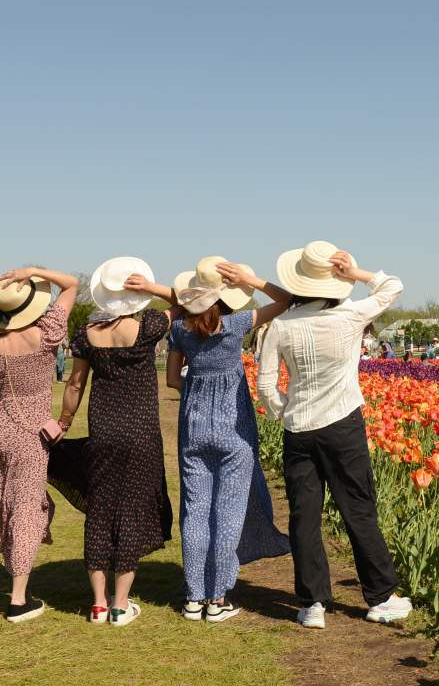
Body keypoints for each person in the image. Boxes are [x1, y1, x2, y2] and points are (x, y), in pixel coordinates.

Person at [257, 241, 412, 629]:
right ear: (333, 281)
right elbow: (392, 285)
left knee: (304, 516)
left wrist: (284, 412)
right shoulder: (350, 315)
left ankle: (312, 604)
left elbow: (264, 384)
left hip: (299, 429)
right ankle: (379, 598)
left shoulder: (281, 324)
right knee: (357, 509)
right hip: (342, 424)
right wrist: (356, 273)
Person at [167, 257, 290, 623]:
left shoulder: (180, 331)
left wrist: (199, 385)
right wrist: (252, 279)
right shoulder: (236, 324)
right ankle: (217, 599)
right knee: (228, 513)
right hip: (233, 430)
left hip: (194, 429)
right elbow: (285, 300)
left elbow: (173, 380)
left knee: (195, 511)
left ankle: (193, 597)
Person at [60, 257, 179, 626]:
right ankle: (120, 603)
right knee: (132, 510)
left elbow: (75, 383)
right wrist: (150, 288)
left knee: (99, 511)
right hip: (140, 431)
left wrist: (64, 420)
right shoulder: (148, 328)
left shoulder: (87, 335)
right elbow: (190, 299)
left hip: (104, 430)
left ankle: (97, 604)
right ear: (134, 294)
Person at [0, 265, 78, 622]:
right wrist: (32, 270)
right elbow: (72, 284)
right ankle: (18, 599)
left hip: (2, 429)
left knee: (6, 502)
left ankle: (13, 574)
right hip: (32, 436)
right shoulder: (46, 334)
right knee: (27, 508)